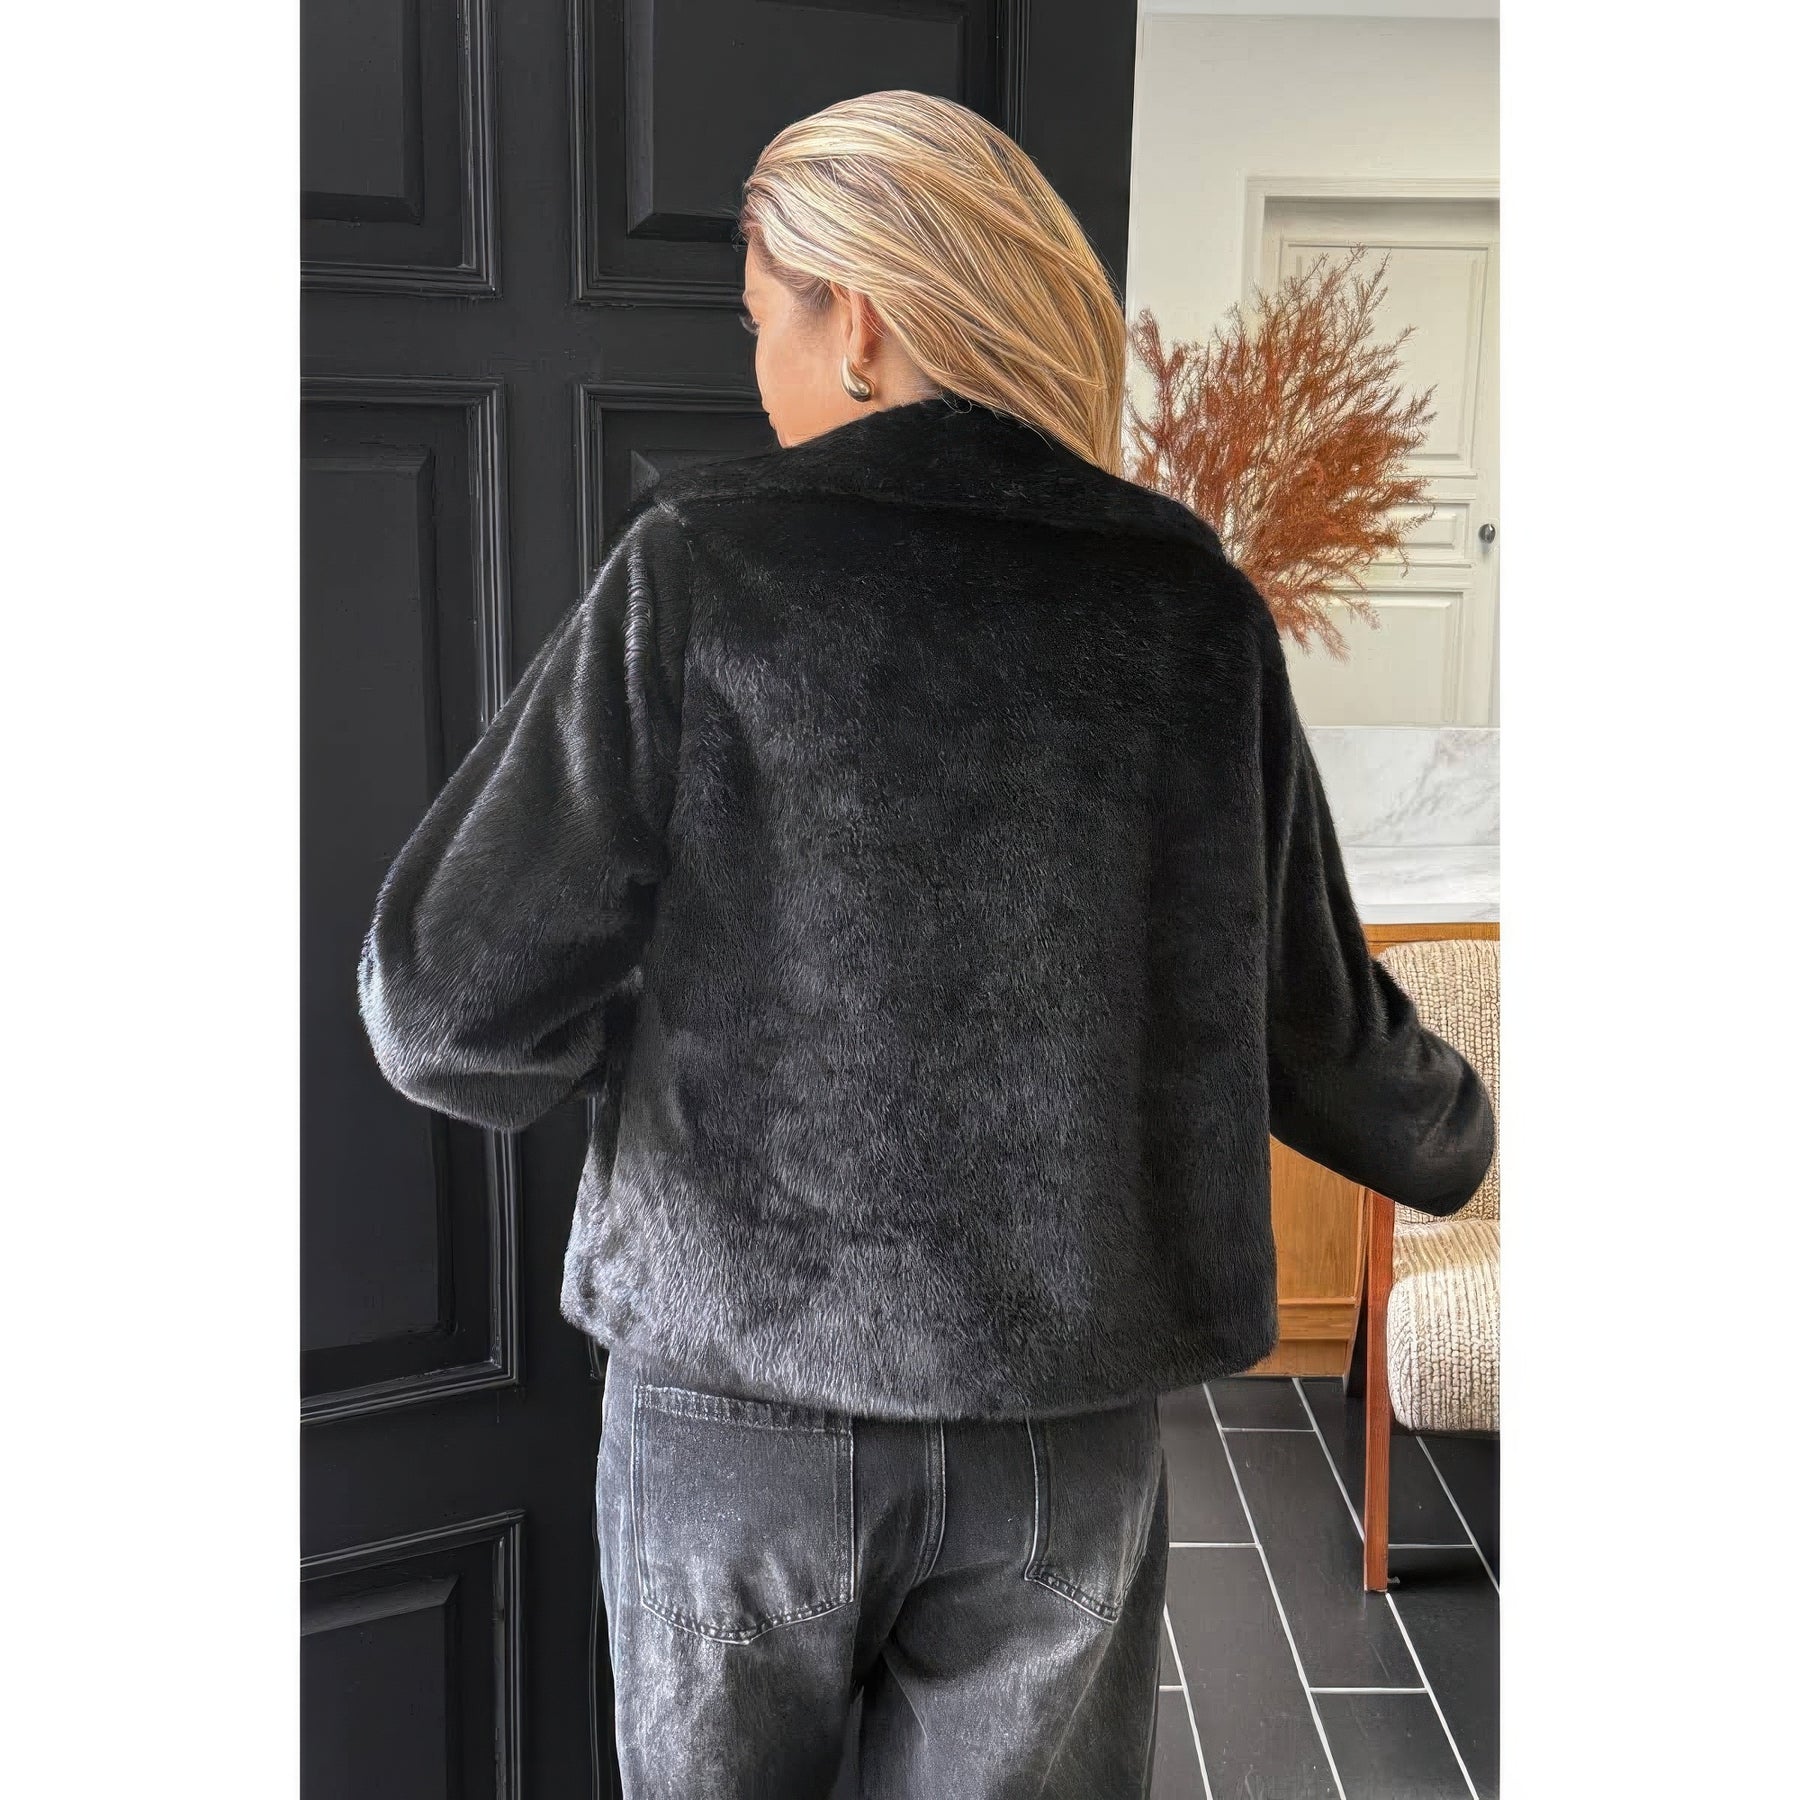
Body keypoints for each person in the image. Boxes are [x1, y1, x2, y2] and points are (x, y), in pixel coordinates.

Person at [356, 89, 1496, 1800]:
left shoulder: (704, 571)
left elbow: (444, 1003)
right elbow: (1315, 1026)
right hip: (1064, 1421)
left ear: (863, 320)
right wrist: (1458, 1135)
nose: (760, 372)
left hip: (740, 1406)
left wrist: (679, 1057)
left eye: (763, 321)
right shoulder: (1185, 603)